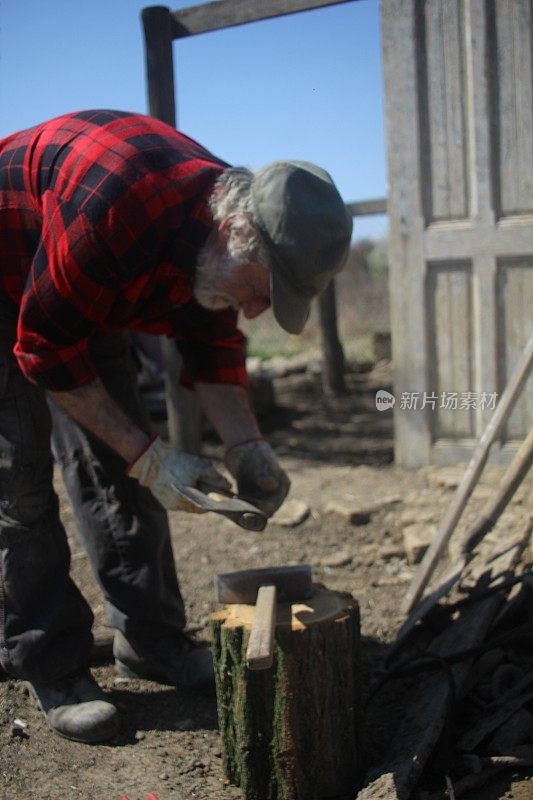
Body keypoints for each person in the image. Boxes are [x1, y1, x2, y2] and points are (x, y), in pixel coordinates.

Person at [0, 109, 352, 743]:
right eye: (262, 291)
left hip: (80, 281)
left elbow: (212, 340)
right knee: (22, 482)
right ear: (238, 228)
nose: (254, 310)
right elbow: (45, 351)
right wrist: (154, 457)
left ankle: (151, 639)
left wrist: (249, 448)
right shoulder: (119, 206)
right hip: (9, 278)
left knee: (121, 468)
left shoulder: (217, 243)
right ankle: (49, 662)